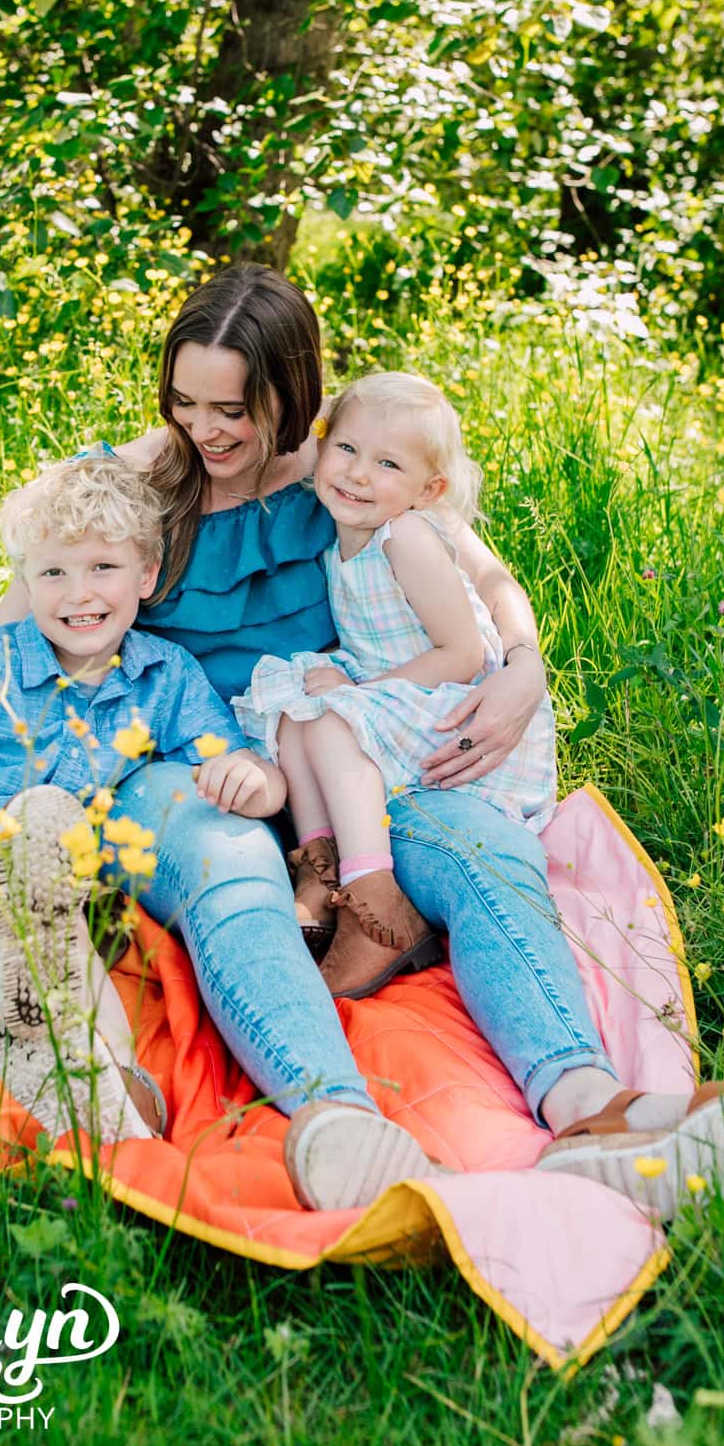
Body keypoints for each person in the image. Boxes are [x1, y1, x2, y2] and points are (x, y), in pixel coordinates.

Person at [0, 264, 724, 1222]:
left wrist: (521, 665)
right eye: (184, 401)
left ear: (293, 395)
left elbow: (487, 576)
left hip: (349, 744)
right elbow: (11, 637)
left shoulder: (345, 470)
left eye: (233, 408)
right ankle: (337, 1122)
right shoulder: (142, 477)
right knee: (233, 873)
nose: (205, 430)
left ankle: (593, 1112)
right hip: (186, 763)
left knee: (483, 847)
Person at [0, 454, 286, 1145]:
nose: (77, 593)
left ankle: (105, 1082)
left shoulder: (164, 675)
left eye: (101, 568)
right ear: (25, 581)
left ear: (146, 575)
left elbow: (228, 764)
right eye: (53, 572)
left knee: (59, 913)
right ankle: (102, 1061)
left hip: (65, 863)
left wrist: (258, 782)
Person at [232, 370, 557, 1000]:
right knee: (294, 703)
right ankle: (320, 870)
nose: (357, 473)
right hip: (406, 690)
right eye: (347, 450)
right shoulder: (345, 530)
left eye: (387, 464)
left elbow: (462, 655)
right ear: (320, 447)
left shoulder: (405, 536)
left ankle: (376, 905)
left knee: (327, 715)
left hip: (459, 710)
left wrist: (358, 692)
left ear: (426, 489)